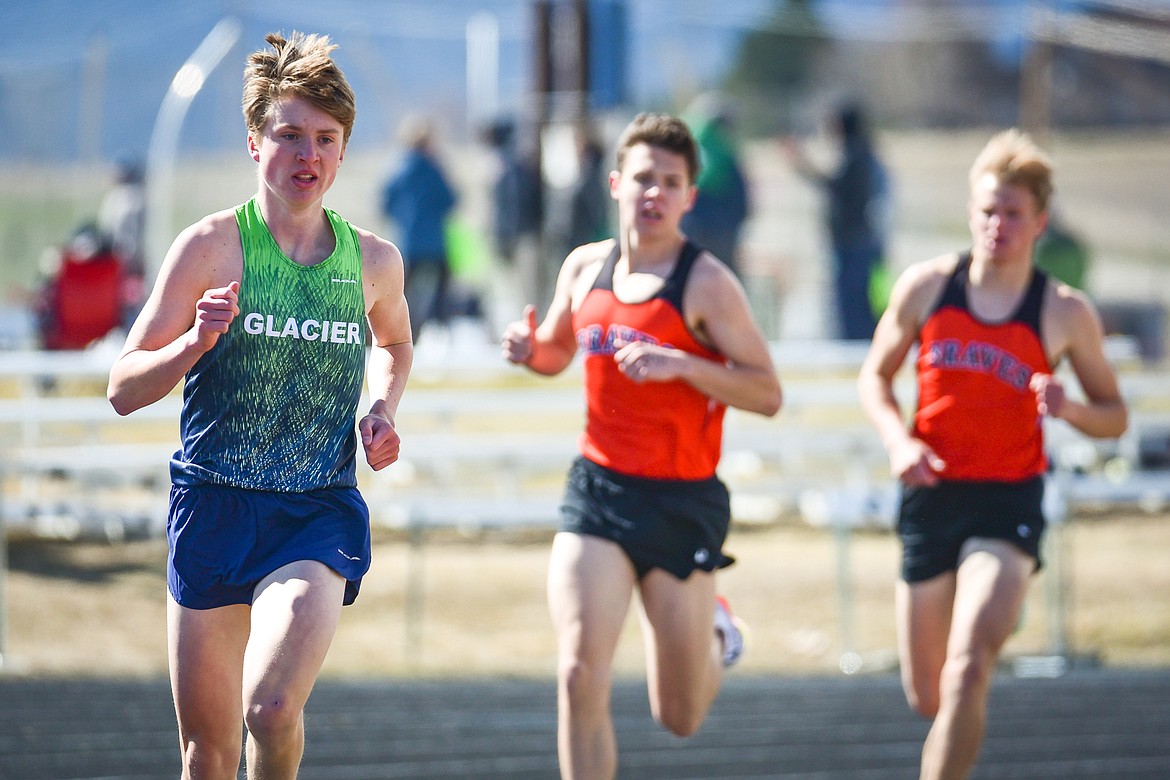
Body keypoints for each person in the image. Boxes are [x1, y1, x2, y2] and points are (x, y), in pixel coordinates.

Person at [106, 32, 412, 780]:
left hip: (314, 509)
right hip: (212, 506)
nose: (308, 155)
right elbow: (123, 387)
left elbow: (394, 343)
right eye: (290, 135)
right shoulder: (211, 247)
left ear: (343, 152)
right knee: (205, 756)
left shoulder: (373, 261)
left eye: (325, 139)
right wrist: (193, 346)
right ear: (255, 143)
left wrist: (381, 406)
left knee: (271, 710)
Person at [501, 112, 782, 780]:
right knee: (576, 674)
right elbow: (558, 351)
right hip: (598, 490)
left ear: (689, 196)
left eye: (672, 182)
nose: (655, 193)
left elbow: (767, 393)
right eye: (645, 178)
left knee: (678, 715)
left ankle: (717, 630)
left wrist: (684, 365)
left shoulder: (707, 283)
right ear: (617, 182)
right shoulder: (584, 266)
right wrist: (529, 350)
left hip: (681, 501)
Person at [857, 129, 1127, 780]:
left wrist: (1070, 408)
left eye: (1012, 213)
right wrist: (900, 441)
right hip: (931, 492)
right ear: (970, 211)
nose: (997, 225)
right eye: (987, 210)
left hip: (1007, 502)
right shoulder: (927, 287)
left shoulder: (1063, 312)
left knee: (970, 663)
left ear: (1040, 220)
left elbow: (1113, 417)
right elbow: (874, 377)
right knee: (928, 693)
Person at [785, 101, 889, 340]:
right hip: (859, 242)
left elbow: (832, 185)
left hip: (853, 244)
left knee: (852, 306)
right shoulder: (864, 153)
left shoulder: (855, 155)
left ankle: (855, 348)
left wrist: (800, 162)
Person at [380, 114, 458, 343]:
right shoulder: (435, 169)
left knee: (403, 293)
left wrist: (402, 217)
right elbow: (451, 200)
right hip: (435, 241)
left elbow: (385, 203)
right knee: (441, 289)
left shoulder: (398, 170)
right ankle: (440, 329)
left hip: (407, 240)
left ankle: (405, 335)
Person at [680, 94, 750, 278]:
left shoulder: (684, 154)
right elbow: (742, 204)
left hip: (692, 234)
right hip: (722, 236)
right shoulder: (728, 157)